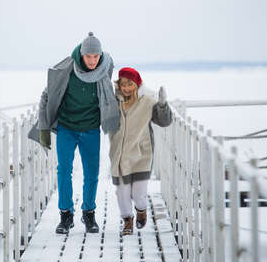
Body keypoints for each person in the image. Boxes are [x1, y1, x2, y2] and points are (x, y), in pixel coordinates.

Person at [28, 32, 120, 234]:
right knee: (63, 171)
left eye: (96, 56)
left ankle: (88, 214)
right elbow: (47, 95)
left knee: (92, 173)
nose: (93, 60)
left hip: (90, 128)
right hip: (67, 128)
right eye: (89, 56)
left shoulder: (105, 69)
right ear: (81, 54)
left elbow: (117, 93)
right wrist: (44, 127)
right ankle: (65, 215)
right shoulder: (67, 69)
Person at [109, 67, 172, 235]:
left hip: (141, 155)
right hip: (120, 156)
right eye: (123, 84)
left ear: (137, 84)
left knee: (139, 193)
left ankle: (141, 210)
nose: (126, 88)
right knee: (122, 192)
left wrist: (163, 105)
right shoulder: (113, 100)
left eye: (130, 84)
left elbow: (164, 122)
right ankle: (127, 220)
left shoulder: (148, 101)